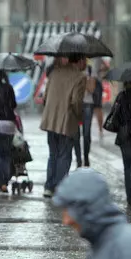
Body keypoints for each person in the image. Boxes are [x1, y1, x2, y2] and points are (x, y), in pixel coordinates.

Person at [40, 54, 87, 198]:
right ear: (79, 60)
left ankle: (49, 187)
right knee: (64, 155)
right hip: (67, 121)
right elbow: (76, 102)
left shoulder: (54, 72)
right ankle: (60, 187)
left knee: (53, 154)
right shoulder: (80, 77)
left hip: (50, 120)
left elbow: (45, 97)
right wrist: (80, 116)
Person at [74, 63, 104, 168]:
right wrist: (84, 81)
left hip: (88, 105)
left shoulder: (90, 69)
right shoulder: (74, 69)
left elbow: (91, 88)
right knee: (75, 134)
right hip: (76, 105)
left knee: (86, 134)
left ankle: (86, 157)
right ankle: (78, 159)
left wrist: (84, 81)